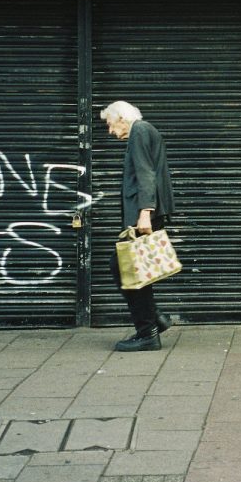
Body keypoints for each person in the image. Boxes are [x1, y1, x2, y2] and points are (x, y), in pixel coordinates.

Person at [101, 101, 176, 351]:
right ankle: (153, 321)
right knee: (132, 269)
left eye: (110, 125)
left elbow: (146, 174)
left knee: (126, 269)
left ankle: (148, 332)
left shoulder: (140, 131)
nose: (110, 132)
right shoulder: (143, 131)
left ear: (122, 118)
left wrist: (145, 212)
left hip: (145, 213)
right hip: (146, 211)